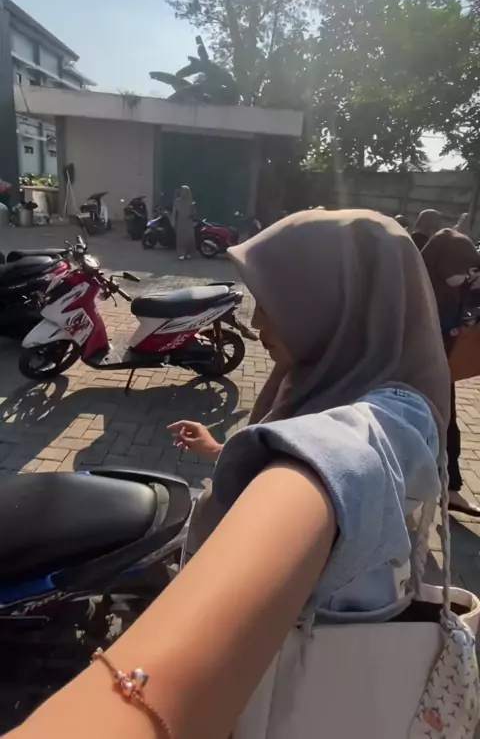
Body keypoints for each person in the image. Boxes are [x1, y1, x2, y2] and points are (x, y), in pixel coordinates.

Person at [9, 210, 450, 739]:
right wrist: (223, 450)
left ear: (337, 304)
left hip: (299, 691)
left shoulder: (398, 411)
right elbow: (290, 454)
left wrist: (136, 704)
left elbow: (338, 460)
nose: (258, 324)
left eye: (276, 304)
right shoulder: (315, 375)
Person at [422, 228, 480, 516]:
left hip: (444, 367)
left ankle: (451, 489)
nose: (463, 275)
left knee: (447, 425)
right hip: (406, 368)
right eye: (460, 268)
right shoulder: (414, 284)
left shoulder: (463, 288)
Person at [173, 185, 195, 260]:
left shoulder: (191, 202)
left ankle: (189, 253)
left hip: (188, 222)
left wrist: (191, 214)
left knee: (189, 238)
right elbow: (175, 212)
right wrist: (174, 222)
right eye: (181, 191)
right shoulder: (177, 201)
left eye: (183, 191)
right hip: (180, 222)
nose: (182, 193)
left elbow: (194, 213)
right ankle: (181, 254)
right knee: (180, 238)